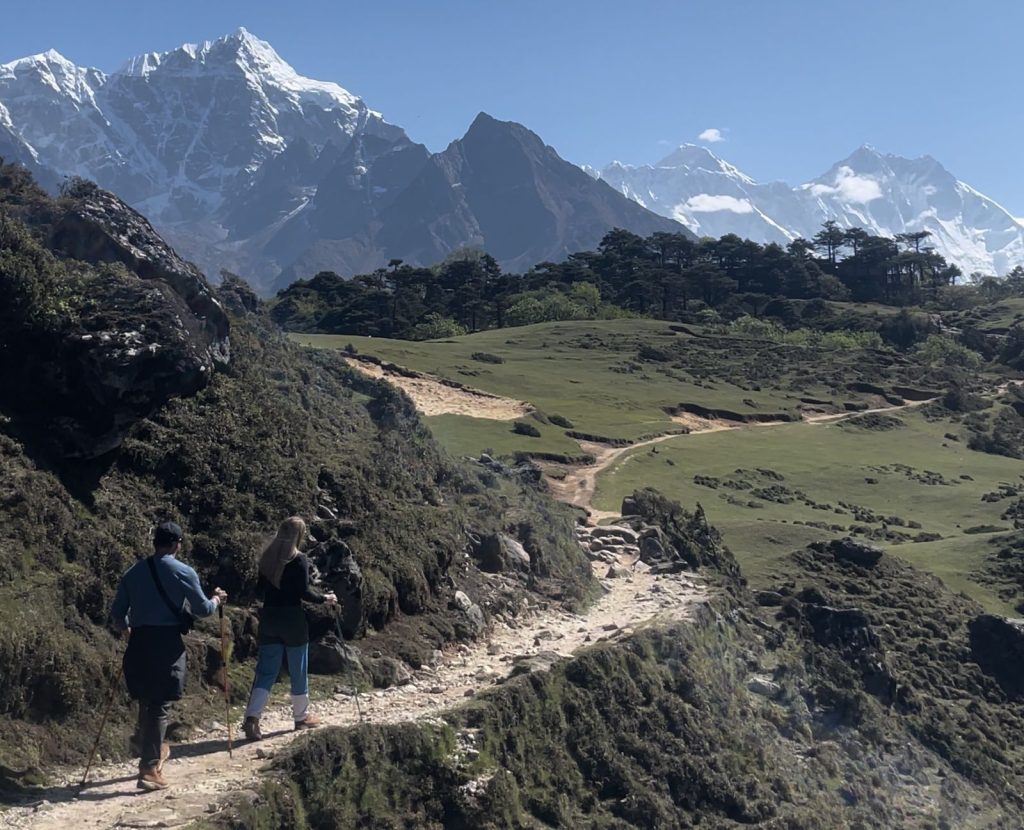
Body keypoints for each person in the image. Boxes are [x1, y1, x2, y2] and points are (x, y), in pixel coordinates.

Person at [110, 521, 227, 791]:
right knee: (160, 703)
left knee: (146, 697)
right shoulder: (184, 572)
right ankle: (149, 767)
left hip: (139, 640)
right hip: (166, 642)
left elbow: (117, 613)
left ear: (155, 542)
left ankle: (150, 747)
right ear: (177, 544)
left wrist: (127, 631)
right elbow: (203, 609)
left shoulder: (133, 572)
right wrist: (218, 599)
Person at [242, 516, 337, 741]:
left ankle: (252, 719)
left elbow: (258, 590)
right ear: (299, 535)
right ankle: (300, 717)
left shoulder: (267, 558)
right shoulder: (298, 559)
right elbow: (303, 592)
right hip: (292, 618)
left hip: (270, 616)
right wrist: (325, 598)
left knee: (266, 671)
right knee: (298, 668)